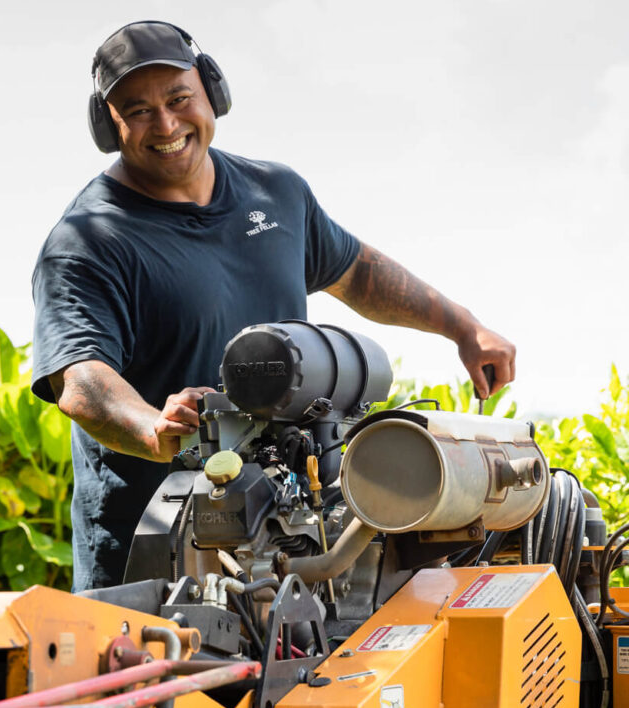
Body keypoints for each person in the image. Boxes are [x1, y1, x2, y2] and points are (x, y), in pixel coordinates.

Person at [31, 20, 516, 593]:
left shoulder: (275, 193)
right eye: (137, 111)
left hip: (288, 549)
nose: (165, 124)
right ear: (106, 126)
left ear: (212, 91)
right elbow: (81, 380)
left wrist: (462, 327)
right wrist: (153, 427)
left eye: (179, 98)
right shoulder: (88, 240)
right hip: (155, 569)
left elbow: (358, 273)